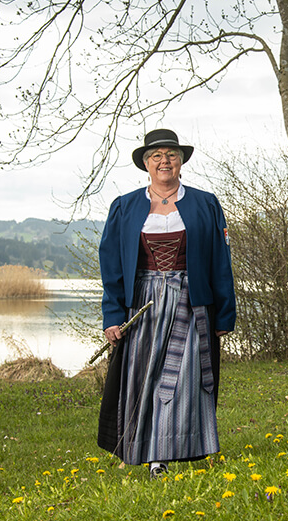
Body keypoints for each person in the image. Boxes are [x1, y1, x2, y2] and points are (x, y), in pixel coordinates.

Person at [97, 128, 236, 478]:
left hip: (192, 302)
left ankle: (171, 450)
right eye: (156, 155)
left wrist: (225, 313)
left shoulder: (205, 203)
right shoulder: (125, 207)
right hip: (143, 303)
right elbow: (111, 264)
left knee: (184, 376)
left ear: (181, 161)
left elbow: (221, 261)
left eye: (171, 154)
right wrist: (113, 314)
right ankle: (149, 450)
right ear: (146, 163)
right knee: (146, 376)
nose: (164, 161)